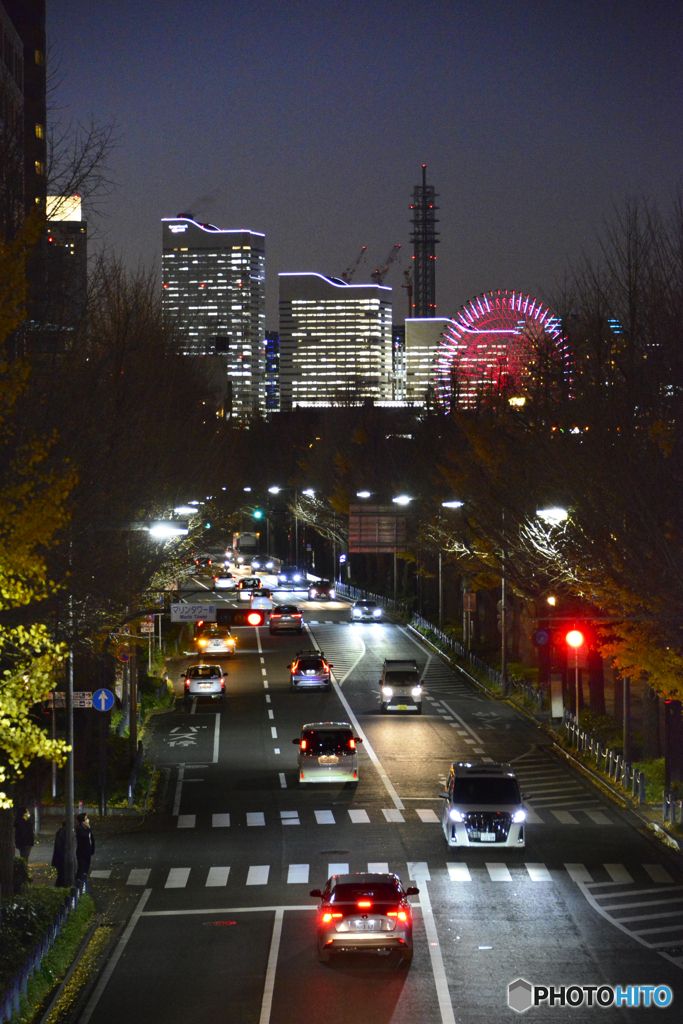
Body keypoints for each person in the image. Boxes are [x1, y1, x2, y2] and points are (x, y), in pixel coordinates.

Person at [75, 812, 95, 886]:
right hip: (82, 852)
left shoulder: (86, 827)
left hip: (87, 851)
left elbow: (91, 839)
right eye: (86, 819)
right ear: (82, 821)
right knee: (82, 868)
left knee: (86, 867)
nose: (88, 820)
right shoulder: (80, 828)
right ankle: (79, 882)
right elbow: (85, 837)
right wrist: (89, 829)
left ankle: (83, 881)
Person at [52, 821, 67, 886]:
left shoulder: (62, 833)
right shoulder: (61, 834)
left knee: (62, 875)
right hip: (60, 859)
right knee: (61, 875)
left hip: (60, 858)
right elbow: (59, 848)